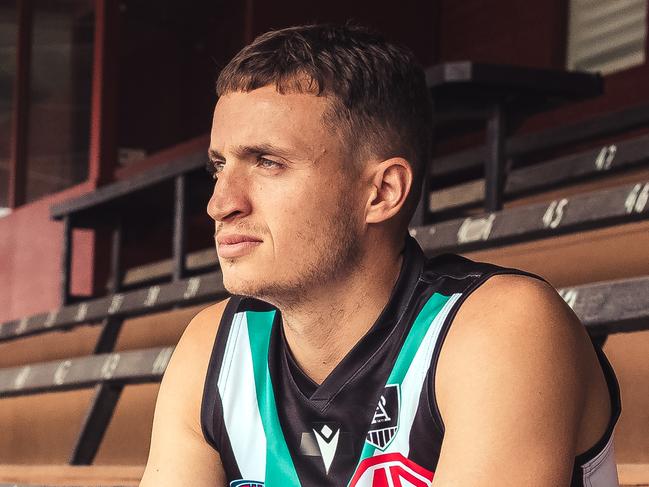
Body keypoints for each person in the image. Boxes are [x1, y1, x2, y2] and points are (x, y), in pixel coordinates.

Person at [139, 24, 621, 487]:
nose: (220, 204)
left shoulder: (501, 326)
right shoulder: (216, 346)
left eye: (268, 162)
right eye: (219, 167)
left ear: (381, 191)